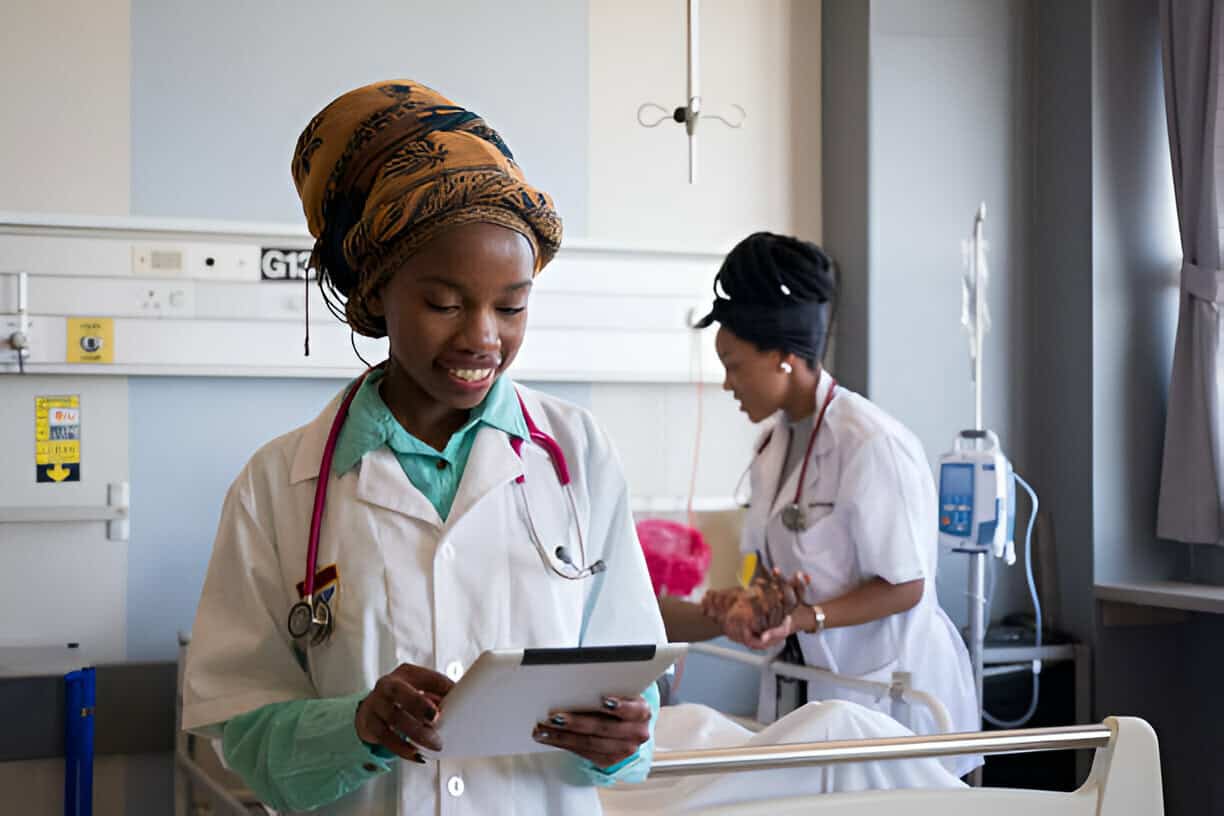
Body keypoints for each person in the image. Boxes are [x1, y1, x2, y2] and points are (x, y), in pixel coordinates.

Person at [182, 79, 666, 815]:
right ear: (376, 295)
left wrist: (628, 736)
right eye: (444, 303)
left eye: (512, 306)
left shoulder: (579, 455)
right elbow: (243, 734)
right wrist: (355, 727)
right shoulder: (277, 486)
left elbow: (634, 677)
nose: (482, 337)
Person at [664, 232, 980, 777]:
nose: (726, 384)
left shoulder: (872, 444)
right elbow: (774, 572)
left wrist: (804, 619)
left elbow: (906, 585)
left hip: (892, 697)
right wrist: (750, 603)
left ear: (785, 358)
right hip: (817, 695)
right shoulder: (772, 449)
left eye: (734, 365)